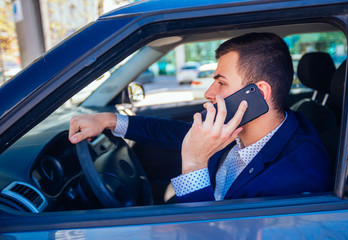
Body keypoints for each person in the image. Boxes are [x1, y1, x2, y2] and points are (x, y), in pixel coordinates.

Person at [69, 32, 332, 203]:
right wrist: (110, 121)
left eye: (221, 82)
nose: (209, 93)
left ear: (258, 93)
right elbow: (177, 133)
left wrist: (195, 164)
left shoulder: (296, 178)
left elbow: (208, 233)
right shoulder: (243, 128)